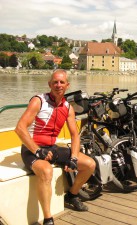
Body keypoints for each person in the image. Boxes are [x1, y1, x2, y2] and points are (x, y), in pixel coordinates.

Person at [14, 69, 96, 225]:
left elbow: (74, 135)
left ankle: (72, 195)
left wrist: (73, 157)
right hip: (32, 149)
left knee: (89, 164)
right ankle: (48, 218)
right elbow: (20, 128)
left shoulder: (68, 107)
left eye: (62, 82)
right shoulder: (39, 101)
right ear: (49, 84)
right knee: (46, 171)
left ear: (67, 85)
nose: (58, 85)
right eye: (55, 82)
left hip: (52, 148)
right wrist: (37, 151)